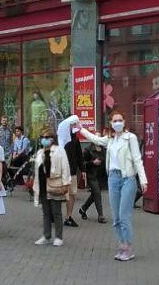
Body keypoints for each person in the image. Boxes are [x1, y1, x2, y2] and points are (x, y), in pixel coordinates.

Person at [77, 111, 148, 261]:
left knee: (124, 216)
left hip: (127, 178)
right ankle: (122, 244)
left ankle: (128, 248)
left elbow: (137, 159)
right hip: (113, 178)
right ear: (110, 123)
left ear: (124, 121)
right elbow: (94, 138)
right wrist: (80, 128)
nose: (117, 123)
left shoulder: (130, 138)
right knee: (116, 218)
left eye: (120, 120)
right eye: (115, 120)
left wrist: (143, 180)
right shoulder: (110, 139)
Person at [32, 125, 71, 246]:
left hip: (55, 184)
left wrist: (66, 184)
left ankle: (59, 237)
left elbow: (65, 167)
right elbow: (37, 170)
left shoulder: (59, 150)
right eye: (42, 137)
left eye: (46, 137)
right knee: (46, 212)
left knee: (56, 212)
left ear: (52, 138)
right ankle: (46, 235)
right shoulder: (40, 152)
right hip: (43, 185)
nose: (44, 139)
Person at [57, 117, 82, 227]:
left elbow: (79, 155)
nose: (74, 127)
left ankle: (68, 216)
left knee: (71, 194)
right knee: (56, 194)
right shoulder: (59, 138)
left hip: (71, 171)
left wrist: (83, 169)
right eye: (72, 125)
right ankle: (54, 215)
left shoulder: (75, 139)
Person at [77, 140, 106, 224]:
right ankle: (101, 215)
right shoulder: (88, 149)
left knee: (94, 194)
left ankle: (83, 209)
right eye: (95, 137)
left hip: (101, 176)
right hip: (91, 175)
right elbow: (82, 163)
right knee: (97, 193)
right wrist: (92, 162)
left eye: (99, 137)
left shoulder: (103, 149)